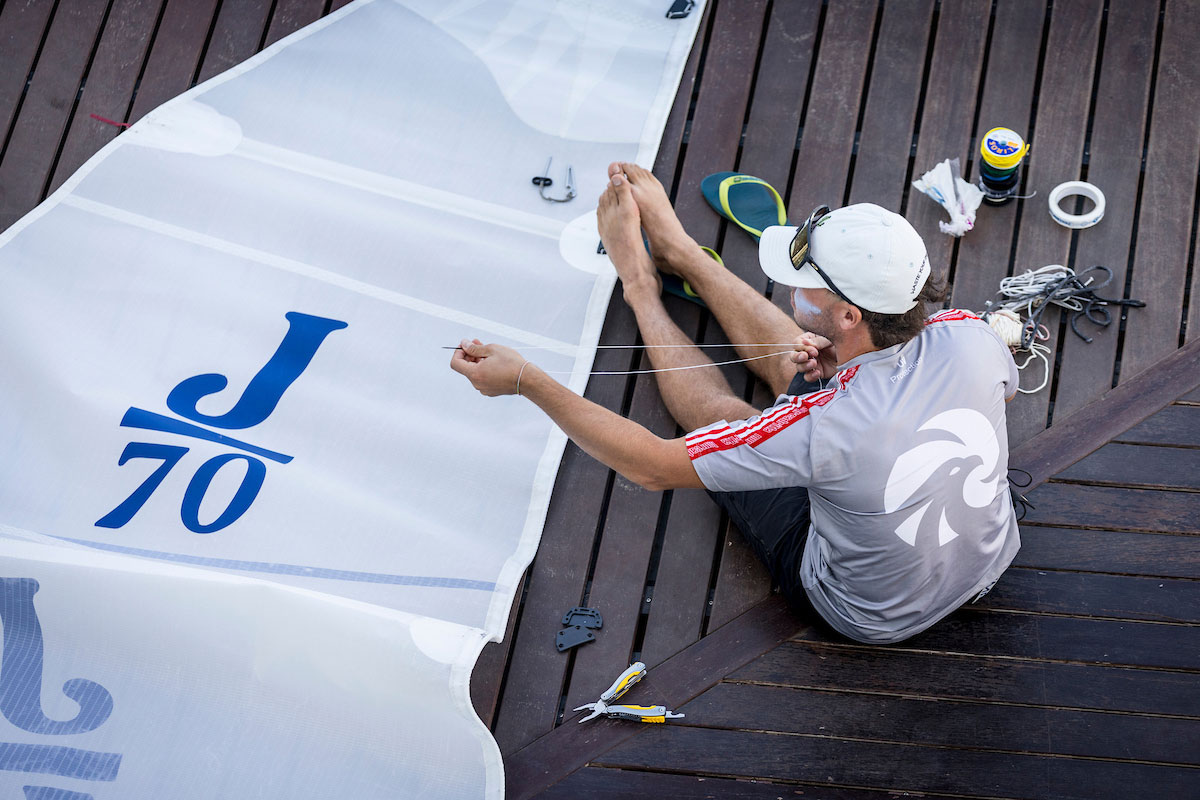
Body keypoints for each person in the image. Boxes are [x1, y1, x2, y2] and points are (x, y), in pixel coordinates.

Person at [450, 162, 1021, 644]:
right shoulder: (971, 333)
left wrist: (527, 380)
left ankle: (642, 282)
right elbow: (900, 394)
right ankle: (682, 251)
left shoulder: (820, 425)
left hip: (865, 613)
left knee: (738, 421)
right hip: (989, 561)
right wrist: (837, 382)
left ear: (852, 313)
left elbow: (652, 466)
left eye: (805, 282)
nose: (792, 285)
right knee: (809, 358)